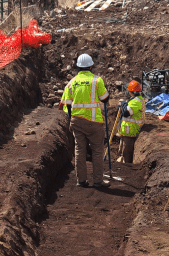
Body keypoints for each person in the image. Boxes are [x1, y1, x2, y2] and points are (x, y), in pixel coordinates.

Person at [60, 53, 110, 187]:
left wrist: (72, 120)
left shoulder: (71, 83)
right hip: (94, 122)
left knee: (79, 150)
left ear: (78, 67)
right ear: (91, 66)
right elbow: (104, 98)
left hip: (77, 121)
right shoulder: (96, 80)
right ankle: (98, 181)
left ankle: (81, 180)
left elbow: (67, 105)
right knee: (97, 151)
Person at [118, 80, 145, 164]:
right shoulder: (133, 100)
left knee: (127, 154)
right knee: (122, 152)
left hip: (131, 132)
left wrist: (123, 105)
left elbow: (126, 113)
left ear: (131, 91)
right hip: (126, 131)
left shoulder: (136, 101)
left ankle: (127, 169)